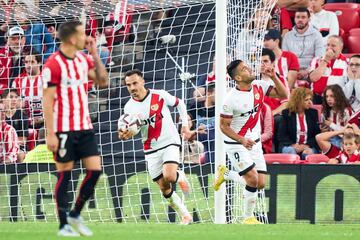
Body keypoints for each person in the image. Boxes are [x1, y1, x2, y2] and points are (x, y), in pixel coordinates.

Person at [42, 21, 108, 237]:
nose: (85, 37)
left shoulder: (82, 59)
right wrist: (50, 133)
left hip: (84, 126)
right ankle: (63, 226)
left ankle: (75, 214)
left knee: (95, 171)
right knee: (65, 174)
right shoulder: (53, 64)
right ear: (71, 39)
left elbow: (103, 81)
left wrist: (95, 53)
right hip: (63, 129)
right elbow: (47, 101)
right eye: (82, 34)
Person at [214, 59, 289, 224]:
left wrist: (274, 76)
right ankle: (248, 218)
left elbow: (284, 96)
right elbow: (223, 127)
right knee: (253, 179)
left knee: (260, 183)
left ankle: (227, 174)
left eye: (247, 66)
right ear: (238, 78)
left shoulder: (259, 86)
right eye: (244, 69)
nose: (249, 69)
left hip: (255, 143)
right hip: (236, 144)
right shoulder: (230, 100)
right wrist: (241, 140)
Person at [118, 69, 193, 225]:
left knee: (170, 176)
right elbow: (130, 130)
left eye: (135, 83)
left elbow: (180, 104)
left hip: (169, 141)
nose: (132, 88)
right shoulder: (128, 108)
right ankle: (185, 215)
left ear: (143, 81)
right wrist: (125, 134)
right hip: (150, 149)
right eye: (128, 85)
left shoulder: (159, 95)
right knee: (164, 188)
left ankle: (180, 176)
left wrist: (185, 125)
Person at [282, 7, 324, 81]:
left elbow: (319, 57)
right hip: (291, 71)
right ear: (294, 19)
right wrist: (293, 71)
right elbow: (285, 59)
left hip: (311, 72)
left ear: (309, 19)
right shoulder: (287, 36)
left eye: (303, 17)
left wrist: (307, 71)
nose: (300, 20)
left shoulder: (317, 35)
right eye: (297, 17)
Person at [278, 88, 320, 159]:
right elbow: (281, 135)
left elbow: (316, 135)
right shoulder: (287, 113)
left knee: (308, 153)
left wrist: (306, 146)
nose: (310, 102)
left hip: (308, 146)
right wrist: (293, 145)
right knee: (291, 151)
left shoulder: (313, 113)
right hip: (290, 146)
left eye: (310, 99)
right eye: (306, 100)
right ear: (298, 101)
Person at [309, 35, 348, 104]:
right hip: (317, 98)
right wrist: (326, 60)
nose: (329, 48)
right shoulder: (316, 60)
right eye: (327, 45)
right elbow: (313, 78)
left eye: (333, 45)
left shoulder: (347, 63)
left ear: (341, 48)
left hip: (338, 99)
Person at [2, 88, 28, 161]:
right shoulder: (1, 114)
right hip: (2, 146)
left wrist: (9, 142)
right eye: (11, 97)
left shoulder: (22, 116)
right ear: (3, 100)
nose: (14, 99)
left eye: (16, 97)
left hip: (18, 147)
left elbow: (23, 140)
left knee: (19, 155)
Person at [0, 26, 26, 94]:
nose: (17, 42)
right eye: (13, 39)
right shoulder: (1, 55)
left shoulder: (31, 54)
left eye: (20, 38)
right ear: (7, 40)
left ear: (24, 40)